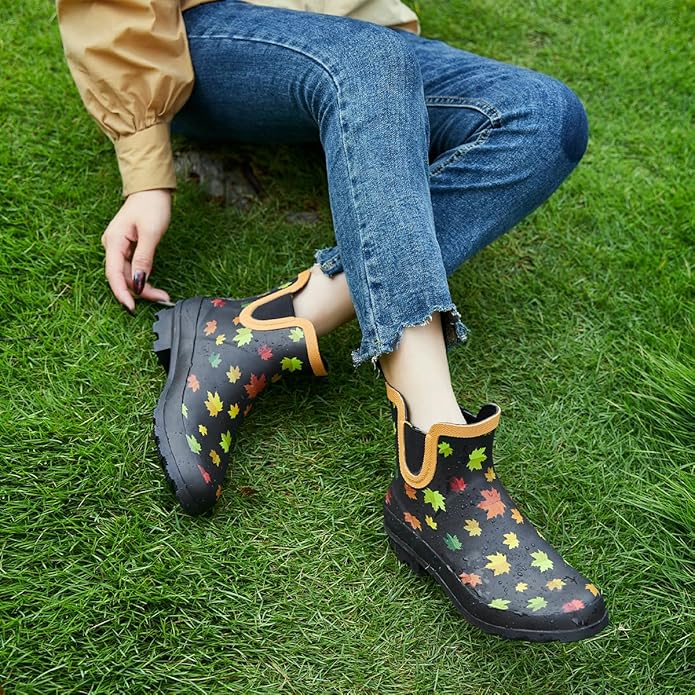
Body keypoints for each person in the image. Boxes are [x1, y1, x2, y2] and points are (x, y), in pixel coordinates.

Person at [56, 0, 608, 642]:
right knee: (371, 61)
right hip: (197, 41)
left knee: (547, 115)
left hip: (358, 38)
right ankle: (436, 451)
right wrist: (145, 171)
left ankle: (265, 327)